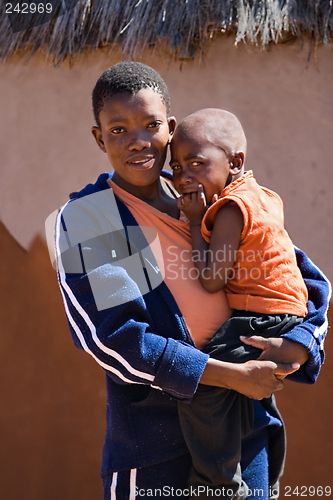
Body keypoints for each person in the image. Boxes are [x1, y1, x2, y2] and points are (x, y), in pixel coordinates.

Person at [53, 62, 330, 500]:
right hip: (155, 451)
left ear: (171, 128)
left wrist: (301, 341)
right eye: (119, 129)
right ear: (98, 137)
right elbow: (116, 339)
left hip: (244, 436)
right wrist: (228, 374)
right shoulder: (94, 218)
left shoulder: (209, 200)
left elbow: (300, 280)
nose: (139, 141)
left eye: (151, 125)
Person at [170, 109, 309, 498]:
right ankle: (271, 482)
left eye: (197, 163)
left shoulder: (229, 210)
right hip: (285, 316)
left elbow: (212, 279)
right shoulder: (265, 197)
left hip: (260, 318)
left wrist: (196, 222)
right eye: (177, 167)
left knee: (201, 386)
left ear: (235, 162)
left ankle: (218, 485)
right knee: (250, 399)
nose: (183, 177)